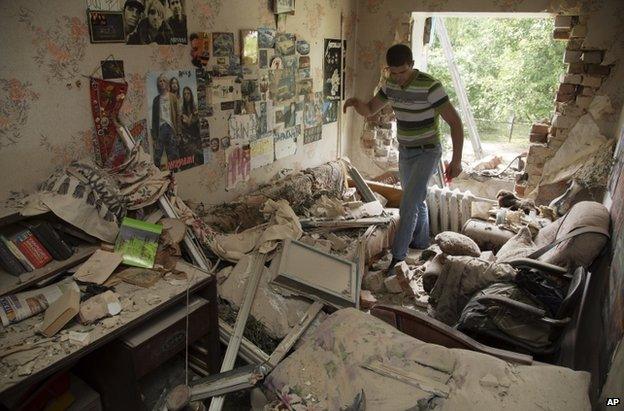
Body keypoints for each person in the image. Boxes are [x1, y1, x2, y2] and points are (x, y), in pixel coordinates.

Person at [343, 44, 464, 270]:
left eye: (403, 72)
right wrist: (355, 103)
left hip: (428, 151)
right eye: (394, 72)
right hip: (406, 151)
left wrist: (456, 160)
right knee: (416, 198)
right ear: (389, 70)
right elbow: (370, 109)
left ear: (412, 66)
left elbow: (455, 123)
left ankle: (398, 259)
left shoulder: (431, 86)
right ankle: (420, 241)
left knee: (408, 202)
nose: (398, 78)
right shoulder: (390, 85)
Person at [151, 73, 180, 168]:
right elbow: (154, 120)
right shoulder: (156, 100)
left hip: (171, 127)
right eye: (160, 81)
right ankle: (158, 175)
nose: (162, 82)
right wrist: (154, 137)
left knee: (173, 154)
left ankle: (175, 173)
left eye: (164, 80)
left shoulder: (173, 97)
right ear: (158, 84)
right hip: (160, 129)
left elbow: (178, 116)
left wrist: (179, 133)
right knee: (157, 154)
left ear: (167, 83)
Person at [180, 86, 200, 157]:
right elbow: (185, 122)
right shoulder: (183, 108)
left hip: (196, 134)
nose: (186, 95)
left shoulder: (195, 106)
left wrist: (190, 120)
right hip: (188, 136)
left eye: (188, 93)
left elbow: (194, 120)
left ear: (191, 94)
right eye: (184, 94)